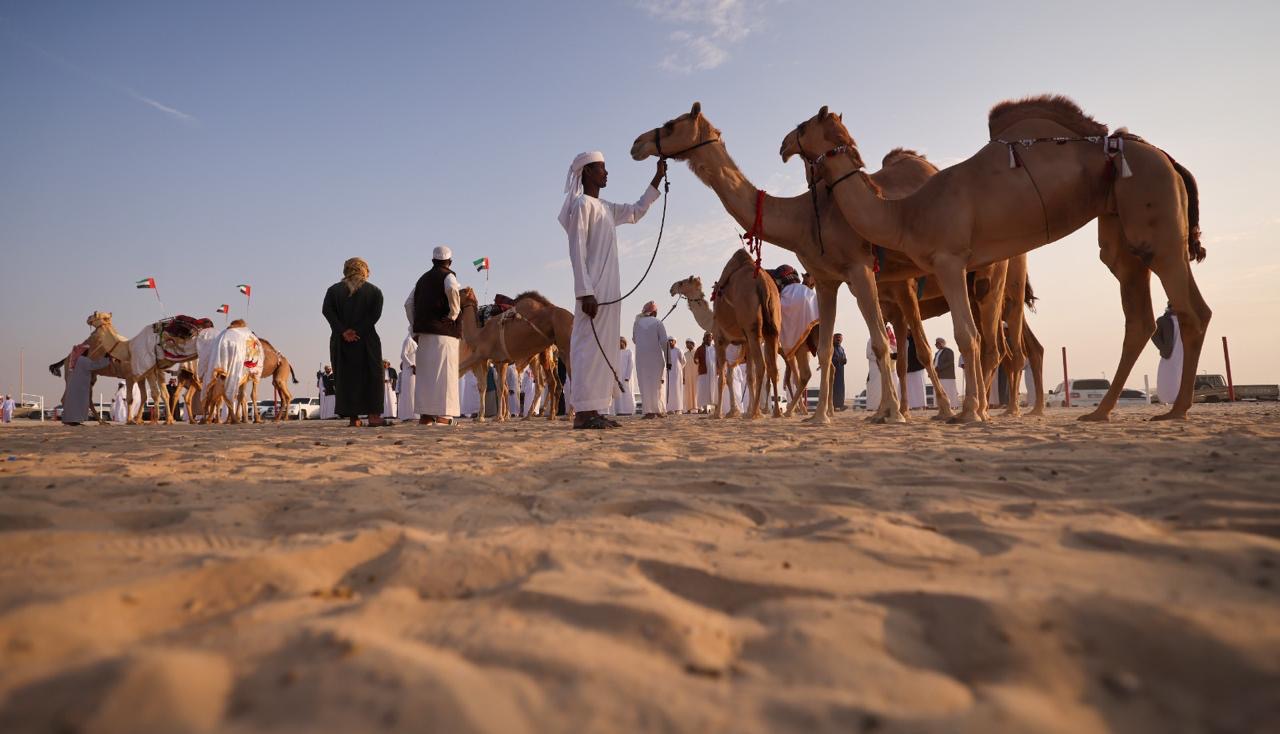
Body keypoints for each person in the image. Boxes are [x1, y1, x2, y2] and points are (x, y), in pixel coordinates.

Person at [559, 151, 665, 429]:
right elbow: (576, 250)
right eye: (601, 168)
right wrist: (584, 291)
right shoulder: (582, 204)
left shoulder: (606, 207)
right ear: (587, 172)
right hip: (592, 290)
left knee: (603, 347)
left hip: (608, 290)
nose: (607, 173)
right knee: (586, 347)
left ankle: (594, 408)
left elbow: (636, 211)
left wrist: (657, 178)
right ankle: (582, 412)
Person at [322, 257, 385, 427]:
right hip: (367, 341)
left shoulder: (333, 291)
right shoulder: (374, 291)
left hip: (340, 341)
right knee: (372, 376)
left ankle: (353, 418)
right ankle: (374, 417)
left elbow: (327, 312)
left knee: (346, 377)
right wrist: (357, 331)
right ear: (364, 270)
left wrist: (343, 331)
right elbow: (374, 316)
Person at [406, 246, 462, 425]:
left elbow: (408, 304)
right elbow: (453, 290)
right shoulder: (449, 276)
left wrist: (414, 328)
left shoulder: (421, 280)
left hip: (424, 334)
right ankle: (444, 417)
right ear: (450, 262)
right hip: (444, 334)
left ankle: (426, 417)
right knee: (445, 375)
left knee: (426, 377)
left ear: (432, 261)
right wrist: (453, 314)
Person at [632, 302, 669, 418]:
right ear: (654, 312)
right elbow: (664, 342)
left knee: (644, 383)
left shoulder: (637, 323)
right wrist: (669, 360)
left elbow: (634, 340)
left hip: (641, 358)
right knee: (657, 383)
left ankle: (650, 411)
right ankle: (656, 410)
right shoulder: (658, 323)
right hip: (655, 357)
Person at [61, 353, 110, 425]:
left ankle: (70, 420)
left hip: (76, 384)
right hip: (81, 386)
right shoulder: (83, 360)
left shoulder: (75, 360)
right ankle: (73, 421)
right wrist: (106, 358)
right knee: (80, 402)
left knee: (74, 401)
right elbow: (95, 365)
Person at [1152, 302, 1183, 405]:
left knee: (1181, 375)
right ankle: (1167, 398)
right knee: (1167, 376)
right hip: (1169, 353)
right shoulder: (1162, 320)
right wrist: (1162, 347)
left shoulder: (1186, 319)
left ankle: (1180, 398)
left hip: (1183, 352)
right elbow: (1154, 335)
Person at [865, 325, 897, 412]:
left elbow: (895, 352)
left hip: (890, 367)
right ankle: (874, 406)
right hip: (875, 367)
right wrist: (880, 358)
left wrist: (892, 356)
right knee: (876, 386)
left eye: (887, 330)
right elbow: (868, 355)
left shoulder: (891, 341)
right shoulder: (871, 340)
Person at [903, 331, 927, 410]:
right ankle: (912, 405)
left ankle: (920, 405)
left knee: (918, 387)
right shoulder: (905, 342)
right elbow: (903, 354)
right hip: (909, 369)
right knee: (910, 388)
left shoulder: (917, 342)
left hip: (917, 368)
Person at [614, 337, 637, 416]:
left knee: (627, 393)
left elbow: (630, 364)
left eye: (622, 342)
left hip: (626, 377)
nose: (620, 343)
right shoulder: (615, 352)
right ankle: (619, 410)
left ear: (625, 343)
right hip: (617, 377)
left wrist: (627, 376)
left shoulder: (629, 352)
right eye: (619, 342)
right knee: (618, 394)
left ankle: (628, 410)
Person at [397, 327, 416, 421]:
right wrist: (412, 365)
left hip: (414, 371)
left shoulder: (414, 341)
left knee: (414, 392)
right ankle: (408, 415)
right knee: (409, 393)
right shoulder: (408, 340)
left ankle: (414, 414)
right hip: (409, 371)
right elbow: (403, 355)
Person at [934, 337, 959, 408]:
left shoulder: (949, 351)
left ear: (942, 343)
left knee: (949, 391)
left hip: (947, 375)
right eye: (936, 344)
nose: (936, 345)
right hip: (938, 375)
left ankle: (952, 405)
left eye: (938, 343)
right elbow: (934, 362)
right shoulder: (937, 353)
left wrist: (939, 368)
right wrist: (933, 370)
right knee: (940, 391)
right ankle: (941, 406)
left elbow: (950, 362)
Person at [695, 332, 716, 411]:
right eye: (707, 337)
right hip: (704, 372)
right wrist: (696, 360)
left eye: (710, 337)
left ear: (712, 338)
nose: (708, 338)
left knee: (714, 389)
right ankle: (705, 407)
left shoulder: (715, 348)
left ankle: (716, 406)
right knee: (704, 389)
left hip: (714, 372)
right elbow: (696, 357)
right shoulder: (700, 348)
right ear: (704, 339)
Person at [666, 337, 685, 414]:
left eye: (672, 341)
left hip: (677, 374)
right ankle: (670, 409)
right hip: (669, 374)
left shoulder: (678, 350)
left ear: (675, 342)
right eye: (669, 341)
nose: (670, 342)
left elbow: (683, 361)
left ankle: (678, 408)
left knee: (677, 390)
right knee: (669, 390)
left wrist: (679, 368)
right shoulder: (666, 351)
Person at [831, 333, 848, 410]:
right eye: (837, 337)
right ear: (833, 338)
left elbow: (844, 358)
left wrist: (844, 360)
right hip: (833, 372)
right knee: (834, 388)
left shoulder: (842, 349)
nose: (838, 339)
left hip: (841, 371)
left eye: (839, 338)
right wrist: (838, 360)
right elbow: (830, 360)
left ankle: (840, 405)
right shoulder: (831, 348)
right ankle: (833, 405)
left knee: (841, 388)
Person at [682, 339, 698, 413]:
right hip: (688, 376)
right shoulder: (685, 354)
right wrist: (683, 377)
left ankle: (699, 408)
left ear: (692, 344)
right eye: (686, 343)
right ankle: (688, 409)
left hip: (696, 375)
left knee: (697, 391)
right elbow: (683, 367)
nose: (687, 344)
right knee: (688, 392)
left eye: (688, 343)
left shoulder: (697, 353)